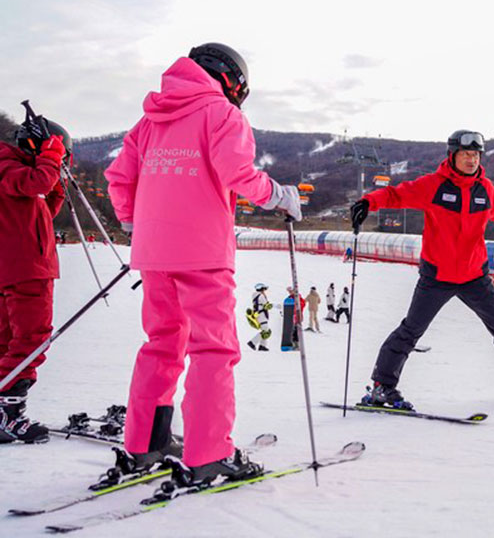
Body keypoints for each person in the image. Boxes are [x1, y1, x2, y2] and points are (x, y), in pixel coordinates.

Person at [105, 42, 303, 485]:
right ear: (232, 80)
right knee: (213, 349)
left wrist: (135, 225)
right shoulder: (221, 114)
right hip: (202, 252)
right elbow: (238, 173)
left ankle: (145, 444)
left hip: (154, 253)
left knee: (161, 344)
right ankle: (209, 455)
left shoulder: (149, 121)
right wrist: (279, 196)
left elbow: (119, 178)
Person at [349, 129, 494, 410]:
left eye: (475, 155)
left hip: (475, 276)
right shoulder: (433, 186)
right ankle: (382, 387)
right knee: (410, 330)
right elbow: (396, 195)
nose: (471, 160)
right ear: (453, 156)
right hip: (437, 276)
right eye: (465, 154)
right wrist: (368, 202)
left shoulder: (485, 190)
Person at [0, 116, 70, 444]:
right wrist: (50, 159)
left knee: (9, 341)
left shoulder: (16, 171)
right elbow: (35, 184)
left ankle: (4, 412)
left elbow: (45, 205)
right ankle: (9, 415)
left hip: (20, 268)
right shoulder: (8, 167)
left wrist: (55, 176)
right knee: (32, 341)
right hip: (27, 270)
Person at [246, 283, 272, 351]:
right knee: (266, 331)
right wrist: (275, 306)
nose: (264, 291)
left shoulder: (255, 296)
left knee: (265, 330)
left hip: (258, 315)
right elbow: (267, 305)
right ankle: (252, 342)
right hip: (262, 315)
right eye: (264, 289)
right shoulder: (261, 296)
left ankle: (262, 346)